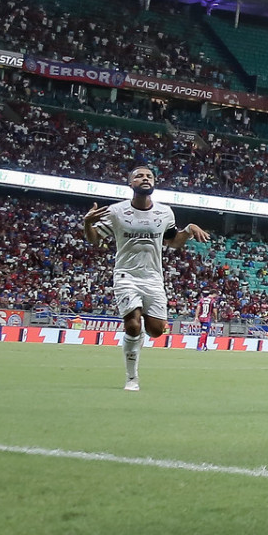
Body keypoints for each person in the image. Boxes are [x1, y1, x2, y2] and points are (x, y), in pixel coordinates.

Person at [83, 165, 209, 391]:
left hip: (153, 278)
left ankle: (137, 339)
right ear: (130, 183)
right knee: (132, 325)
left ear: (154, 182)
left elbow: (173, 241)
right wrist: (87, 223)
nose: (144, 178)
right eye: (139, 176)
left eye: (149, 176)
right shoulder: (116, 212)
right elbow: (94, 240)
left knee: (156, 331)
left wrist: (189, 229)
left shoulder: (165, 213)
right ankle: (132, 378)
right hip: (126, 275)